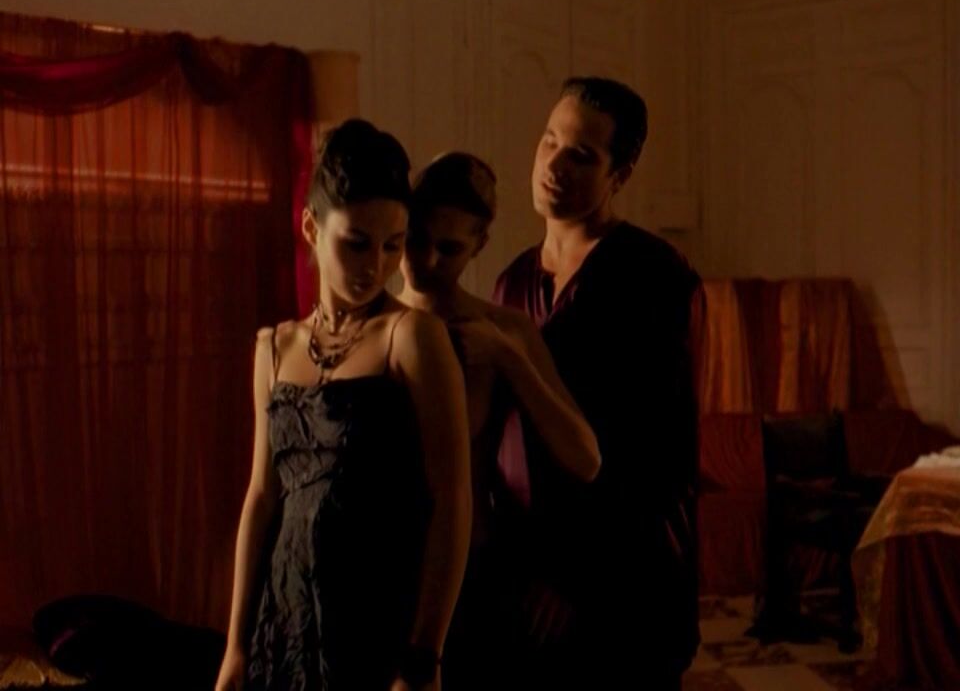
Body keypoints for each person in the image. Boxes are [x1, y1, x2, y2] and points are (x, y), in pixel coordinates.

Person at [214, 119, 472, 691]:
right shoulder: (274, 348)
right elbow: (262, 498)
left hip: (377, 622)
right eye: (356, 243)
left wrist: (425, 656)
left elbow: (453, 497)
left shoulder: (411, 337)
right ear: (311, 226)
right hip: (285, 618)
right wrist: (235, 647)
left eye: (392, 245)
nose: (375, 265)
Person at [493, 77, 704, 690]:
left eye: (582, 155)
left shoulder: (654, 276)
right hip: (524, 576)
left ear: (620, 173)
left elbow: (661, 454)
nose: (555, 165)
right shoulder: (511, 283)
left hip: (624, 580)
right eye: (549, 141)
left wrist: (574, 578)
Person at [397, 151, 600, 690]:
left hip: (474, 576)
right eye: (414, 239)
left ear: (479, 245)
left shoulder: (500, 330)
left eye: (449, 248)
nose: (425, 261)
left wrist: (510, 359)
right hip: (385, 573)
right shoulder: (374, 325)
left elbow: (584, 458)